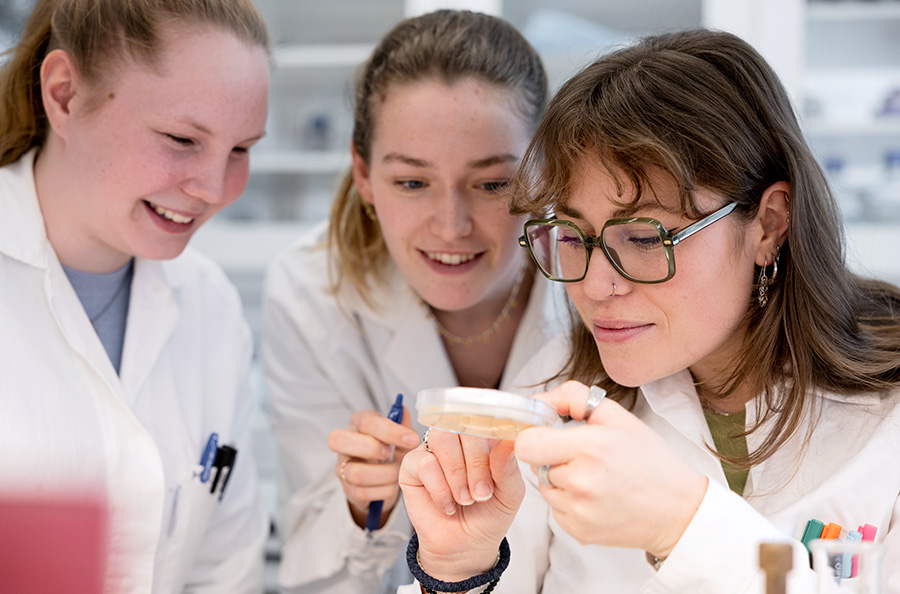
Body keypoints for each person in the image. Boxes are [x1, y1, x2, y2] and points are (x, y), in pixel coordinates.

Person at [396, 28, 900, 594]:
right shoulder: (559, 380)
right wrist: (458, 571)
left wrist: (684, 524)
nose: (596, 284)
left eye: (642, 237)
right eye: (575, 237)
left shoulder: (888, 419)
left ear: (769, 224)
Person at [262, 9, 564, 594]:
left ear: (540, 169)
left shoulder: (598, 283)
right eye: (412, 182)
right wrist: (357, 507)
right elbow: (318, 575)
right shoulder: (312, 294)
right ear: (364, 176)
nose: (451, 227)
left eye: (492, 183)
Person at [0, 0, 271, 591]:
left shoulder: (210, 306)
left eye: (242, 149)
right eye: (181, 138)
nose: (214, 187)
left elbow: (224, 569)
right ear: (65, 94)